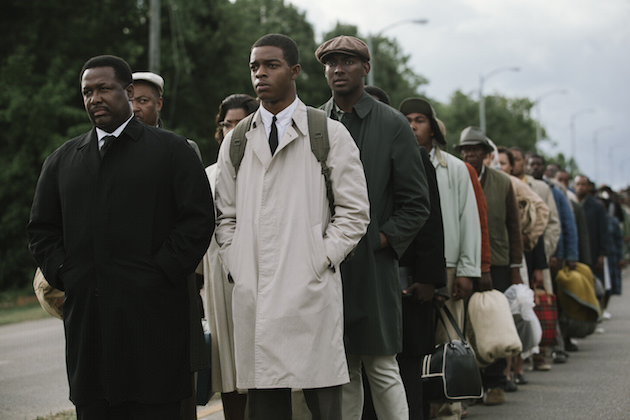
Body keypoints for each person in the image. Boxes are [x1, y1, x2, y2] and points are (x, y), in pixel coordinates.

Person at [27, 55, 215, 419]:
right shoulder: (62, 161)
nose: (94, 98)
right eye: (86, 92)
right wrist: (68, 273)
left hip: (154, 320)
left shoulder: (171, 151)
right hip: (89, 325)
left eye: (103, 89)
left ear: (128, 92)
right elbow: (41, 229)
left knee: (155, 406)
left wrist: (160, 272)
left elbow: (197, 220)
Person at [214, 34, 370, 420]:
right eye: (254, 67)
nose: (260, 75)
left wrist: (320, 258)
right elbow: (223, 216)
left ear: (295, 71)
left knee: (325, 405)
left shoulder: (328, 133)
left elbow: (354, 213)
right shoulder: (236, 141)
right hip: (257, 293)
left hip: (309, 292)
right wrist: (240, 266)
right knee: (266, 408)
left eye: (271, 65)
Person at [316, 35, 430, 419]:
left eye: (347, 61)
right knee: (342, 368)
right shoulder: (315, 121)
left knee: (382, 366)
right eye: (331, 62)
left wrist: (381, 239)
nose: (338, 69)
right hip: (324, 263)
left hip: (373, 265)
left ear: (365, 68)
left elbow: (417, 203)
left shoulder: (393, 123)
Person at [398, 98, 479, 418]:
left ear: (433, 127)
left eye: (419, 119)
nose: (412, 125)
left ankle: (449, 405)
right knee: (414, 344)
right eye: (406, 119)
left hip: (449, 265)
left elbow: (468, 219)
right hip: (416, 266)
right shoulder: (400, 160)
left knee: (448, 338)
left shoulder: (456, 168)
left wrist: (467, 270)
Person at [200, 93, 258, 420]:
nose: (231, 131)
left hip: (263, 278)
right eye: (226, 124)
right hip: (220, 279)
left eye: (240, 124)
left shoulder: (270, 170)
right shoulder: (207, 175)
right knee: (230, 373)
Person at [455, 127, 523, 406]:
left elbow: (513, 226)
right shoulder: (457, 176)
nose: (470, 153)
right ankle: (473, 383)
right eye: (465, 149)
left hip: (498, 261)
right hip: (465, 261)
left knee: (495, 322)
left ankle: (496, 381)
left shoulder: (502, 182)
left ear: (486, 153)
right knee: (467, 323)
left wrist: (515, 266)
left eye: (475, 149)